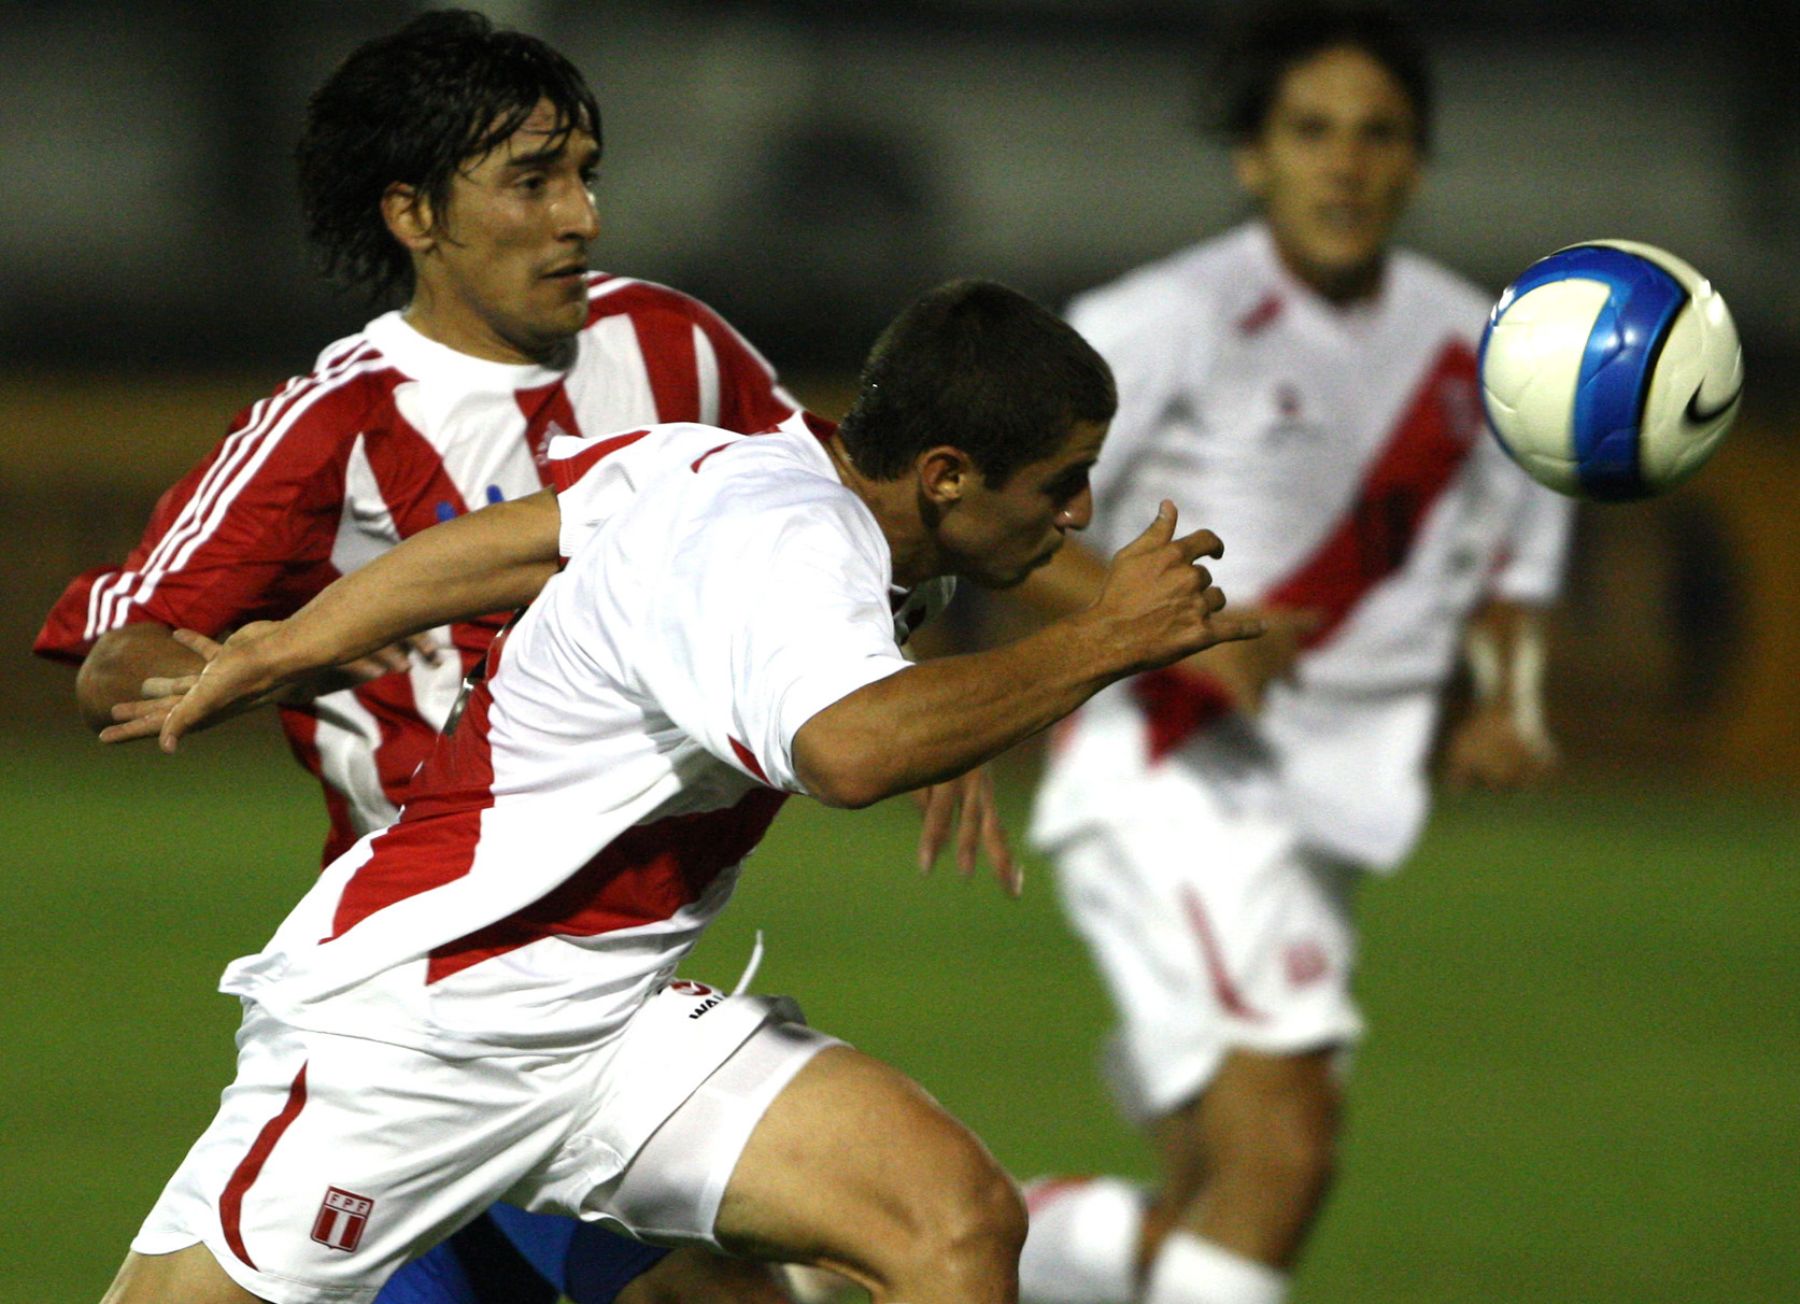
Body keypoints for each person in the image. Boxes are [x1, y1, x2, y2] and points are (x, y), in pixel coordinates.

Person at [93, 278, 1262, 1304]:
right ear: (947, 475)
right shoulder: (788, 541)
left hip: (608, 1019)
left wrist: (284, 645)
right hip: (424, 1020)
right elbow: (850, 752)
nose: (1079, 517)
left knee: (953, 1218)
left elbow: (514, 542)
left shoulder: (720, 460)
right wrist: (1099, 643)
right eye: (1063, 483)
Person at [35, 11, 803, 1303]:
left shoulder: (671, 346)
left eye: (586, 174)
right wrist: (312, 654)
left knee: (799, 1258)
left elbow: (844, 506)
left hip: (610, 962)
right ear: (413, 214)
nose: (582, 217)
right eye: (532, 181)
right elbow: (122, 656)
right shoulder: (334, 421)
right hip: (422, 980)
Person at [1012, 7, 1575, 1304]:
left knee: (1222, 1193)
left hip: (1325, 809)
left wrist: (1509, 705)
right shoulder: (1164, 319)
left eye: (1378, 134)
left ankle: (906, 1249)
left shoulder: (1483, 349)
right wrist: (1170, 638)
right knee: (1288, 1154)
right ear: (1252, 159)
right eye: (1310, 131)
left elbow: (1511, 564)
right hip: (1176, 775)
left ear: (1417, 162)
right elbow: (996, 520)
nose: (1346, 163)